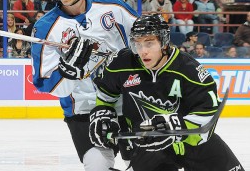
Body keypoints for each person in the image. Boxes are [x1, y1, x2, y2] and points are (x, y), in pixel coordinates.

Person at [88, 14, 245, 171]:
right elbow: (106, 95)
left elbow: (208, 112)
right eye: (138, 44)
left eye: (149, 44)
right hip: (147, 146)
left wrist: (177, 128)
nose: (143, 51)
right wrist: (103, 114)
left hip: (193, 144)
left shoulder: (188, 69)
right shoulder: (122, 63)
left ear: (163, 42)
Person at [31, 0, 138, 171]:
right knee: (97, 166)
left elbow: (144, 43)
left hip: (127, 100)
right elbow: (48, 85)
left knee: (143, 164)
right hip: (84, 109)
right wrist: (68, 70)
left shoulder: (113, 6)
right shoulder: (45, 28)